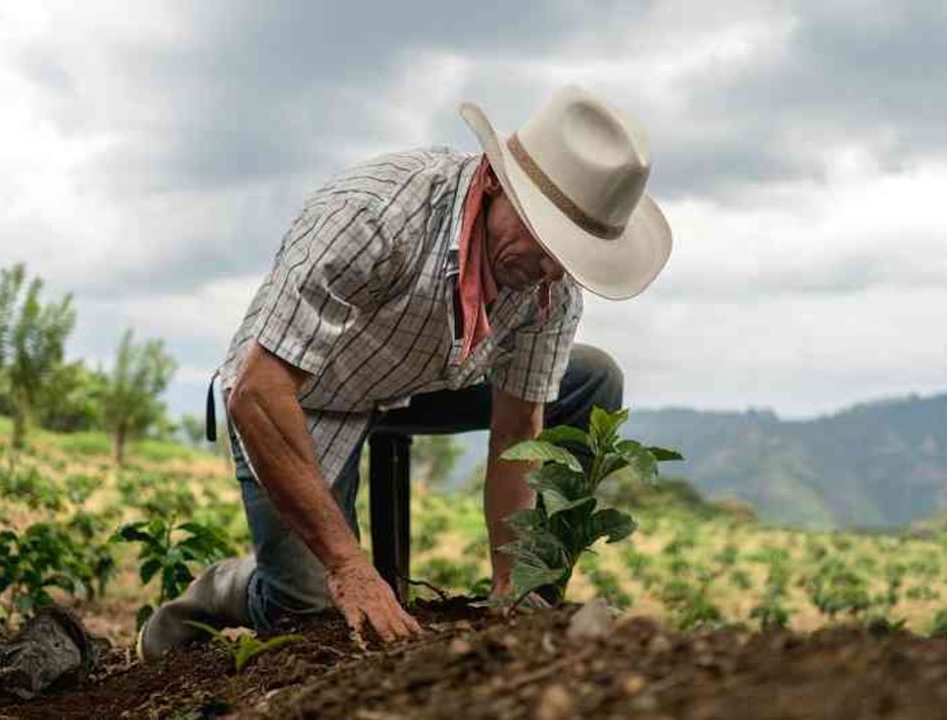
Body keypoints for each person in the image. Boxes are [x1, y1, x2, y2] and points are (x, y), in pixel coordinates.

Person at [138, 84, 672, 659]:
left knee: (593, 377)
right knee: (311, 610)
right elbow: (259, 391)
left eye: (567, 257)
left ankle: (533, 607)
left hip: (421, 381)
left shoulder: (549, 285)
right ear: (495, 183)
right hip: (303, 394)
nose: (549, 271)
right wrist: (348, 566)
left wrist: (511, 587)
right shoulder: (375, 216)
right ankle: (224, 588)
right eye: (545, 242)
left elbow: (519, 432)